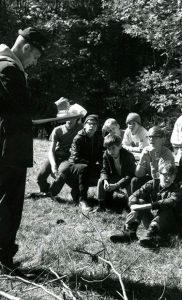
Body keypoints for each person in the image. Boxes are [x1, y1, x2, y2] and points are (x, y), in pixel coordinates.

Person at [0, 27, 69, 270]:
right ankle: (3, 259)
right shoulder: (8, 68)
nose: (34, 63)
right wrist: (56, 108)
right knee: (9, 204)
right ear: (26, 47)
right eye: (36, 57)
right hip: (9, 148)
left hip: (7, 145)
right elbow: (24, 107)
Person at [110, 162, 181, 248]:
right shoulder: (152, 183)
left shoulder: (176, 189)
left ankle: (151, 236)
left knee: (165, 209)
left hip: (167, 224)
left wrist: (143, 207)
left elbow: (169, 202)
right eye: (166, 175)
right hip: (151, 222)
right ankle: (129, 233)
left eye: (172, 176)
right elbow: (134, 196)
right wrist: (133, 208)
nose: (168, 178)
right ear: (159, 174)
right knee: (140, 201)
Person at [51, 114, 104, 212]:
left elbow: (100, 155)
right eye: (89, 123)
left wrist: (103, 165)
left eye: (94, 124)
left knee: (104, 169)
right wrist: (91, 164)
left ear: (97, 127)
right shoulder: (78, 138)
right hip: (73, 165)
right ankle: (82, 200)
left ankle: (105, 200)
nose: (91, 126)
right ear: (84, 125)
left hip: (88, 165)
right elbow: (76, 158)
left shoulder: (99, 138)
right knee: (84, 168)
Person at [36, 113, 82, 195]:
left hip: (69, 158)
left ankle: (51, 194)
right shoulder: (57, 130)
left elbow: (92, 128)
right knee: (40, 177)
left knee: (60, 175)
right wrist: (53, 166)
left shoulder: (81, 128)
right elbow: (51, 150)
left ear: (77, 119)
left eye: (73, 118)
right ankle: (44, 190)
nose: (69, 120)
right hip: (56, 156)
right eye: (68, 117)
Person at [97, 134, 136, 212]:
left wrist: (117, 185)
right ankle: (101, 205)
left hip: (127, 178)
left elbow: (129, 175)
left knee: (130, 183)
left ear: (120, 146)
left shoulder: (128, 156)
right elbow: (104, 170)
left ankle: (131, 205)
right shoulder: (106, 154)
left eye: (113, 148)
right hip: (115, 176)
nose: (111, 151)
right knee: (100, 181)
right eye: (108, 149)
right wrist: (105, 181)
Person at [131, 126, 174, 193]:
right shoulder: (146, 150)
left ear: (162, 139)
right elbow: (138, 174)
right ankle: (133, 201)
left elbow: (160, 177)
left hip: (163, 182)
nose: (151, 139)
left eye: (155, 137)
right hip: (151, 179)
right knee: (135, 180)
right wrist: (142, 159)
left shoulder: (167, 154)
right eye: (149, 137)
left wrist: (153, 159)